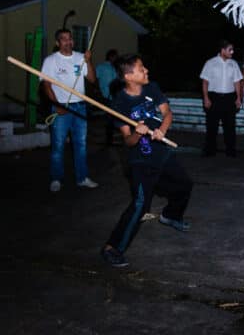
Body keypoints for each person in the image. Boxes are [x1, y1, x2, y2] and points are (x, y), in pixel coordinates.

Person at [100, 54, 193, 268]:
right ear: (129, 76)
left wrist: (161, 129)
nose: (146, 70)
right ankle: (112, 248)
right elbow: (128, 141)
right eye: (142, 69)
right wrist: (137, 132)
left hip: (163, 153)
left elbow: (167, 113)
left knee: (184, 185)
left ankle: (170, 215)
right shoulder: (120, 104)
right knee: (141, 204)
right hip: (141, 160)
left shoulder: (152, 88)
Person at [41, 28, 98, 192]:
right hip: (61, 108)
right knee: (58, 145)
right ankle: (56, 178)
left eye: (70, 38)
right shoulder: (51, 60)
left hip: (80, 106)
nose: (68, 41)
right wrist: (57, 105)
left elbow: (92, 79)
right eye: (64, 39)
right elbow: (46, 85)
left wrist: (88, 61)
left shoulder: (81, 57)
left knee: (80, 144)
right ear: (57, 42)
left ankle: (82, 178)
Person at [200, 40, 243, 157]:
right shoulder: (210, 63)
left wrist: (238, 98)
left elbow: (237, 82)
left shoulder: (233, 64)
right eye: (230, 49)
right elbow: (205, 82)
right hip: (214, 97)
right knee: (212, 125)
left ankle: (230, 150)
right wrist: (206, 98)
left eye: (232, 49)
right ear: (222, 50)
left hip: (229, 98)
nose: (232, 52)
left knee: (230, 126)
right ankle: (210, 150)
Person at [96, 48, 120, 145]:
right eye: (115, 56)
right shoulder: (101, 67)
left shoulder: (116, 68)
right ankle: (109, 140)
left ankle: (114, 137)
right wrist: (97, 92)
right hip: (106, 96)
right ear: (110, 56)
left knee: (115, 117)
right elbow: (95, 79)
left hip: (116, 96)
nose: (116, 58)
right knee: (110, 117)